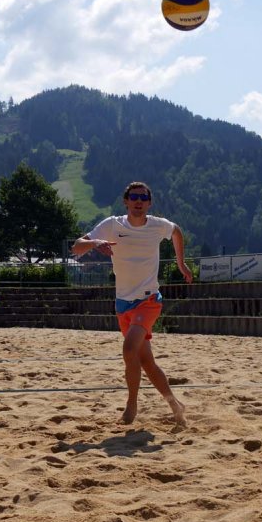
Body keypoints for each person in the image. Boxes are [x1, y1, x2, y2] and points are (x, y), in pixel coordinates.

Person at [72, 181, 192, 428]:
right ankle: (174, 404)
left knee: (128, 350)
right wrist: (96, 243)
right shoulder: (112, 225)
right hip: (122, 304)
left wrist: (181, 263)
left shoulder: (158, 225)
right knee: (146, 362)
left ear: (149, 202)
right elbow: (77, 246)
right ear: (125, 201)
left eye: (143, 197)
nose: (139, 201)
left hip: (148, 300)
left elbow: (177, 231)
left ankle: (132, 404)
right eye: (134, 196)